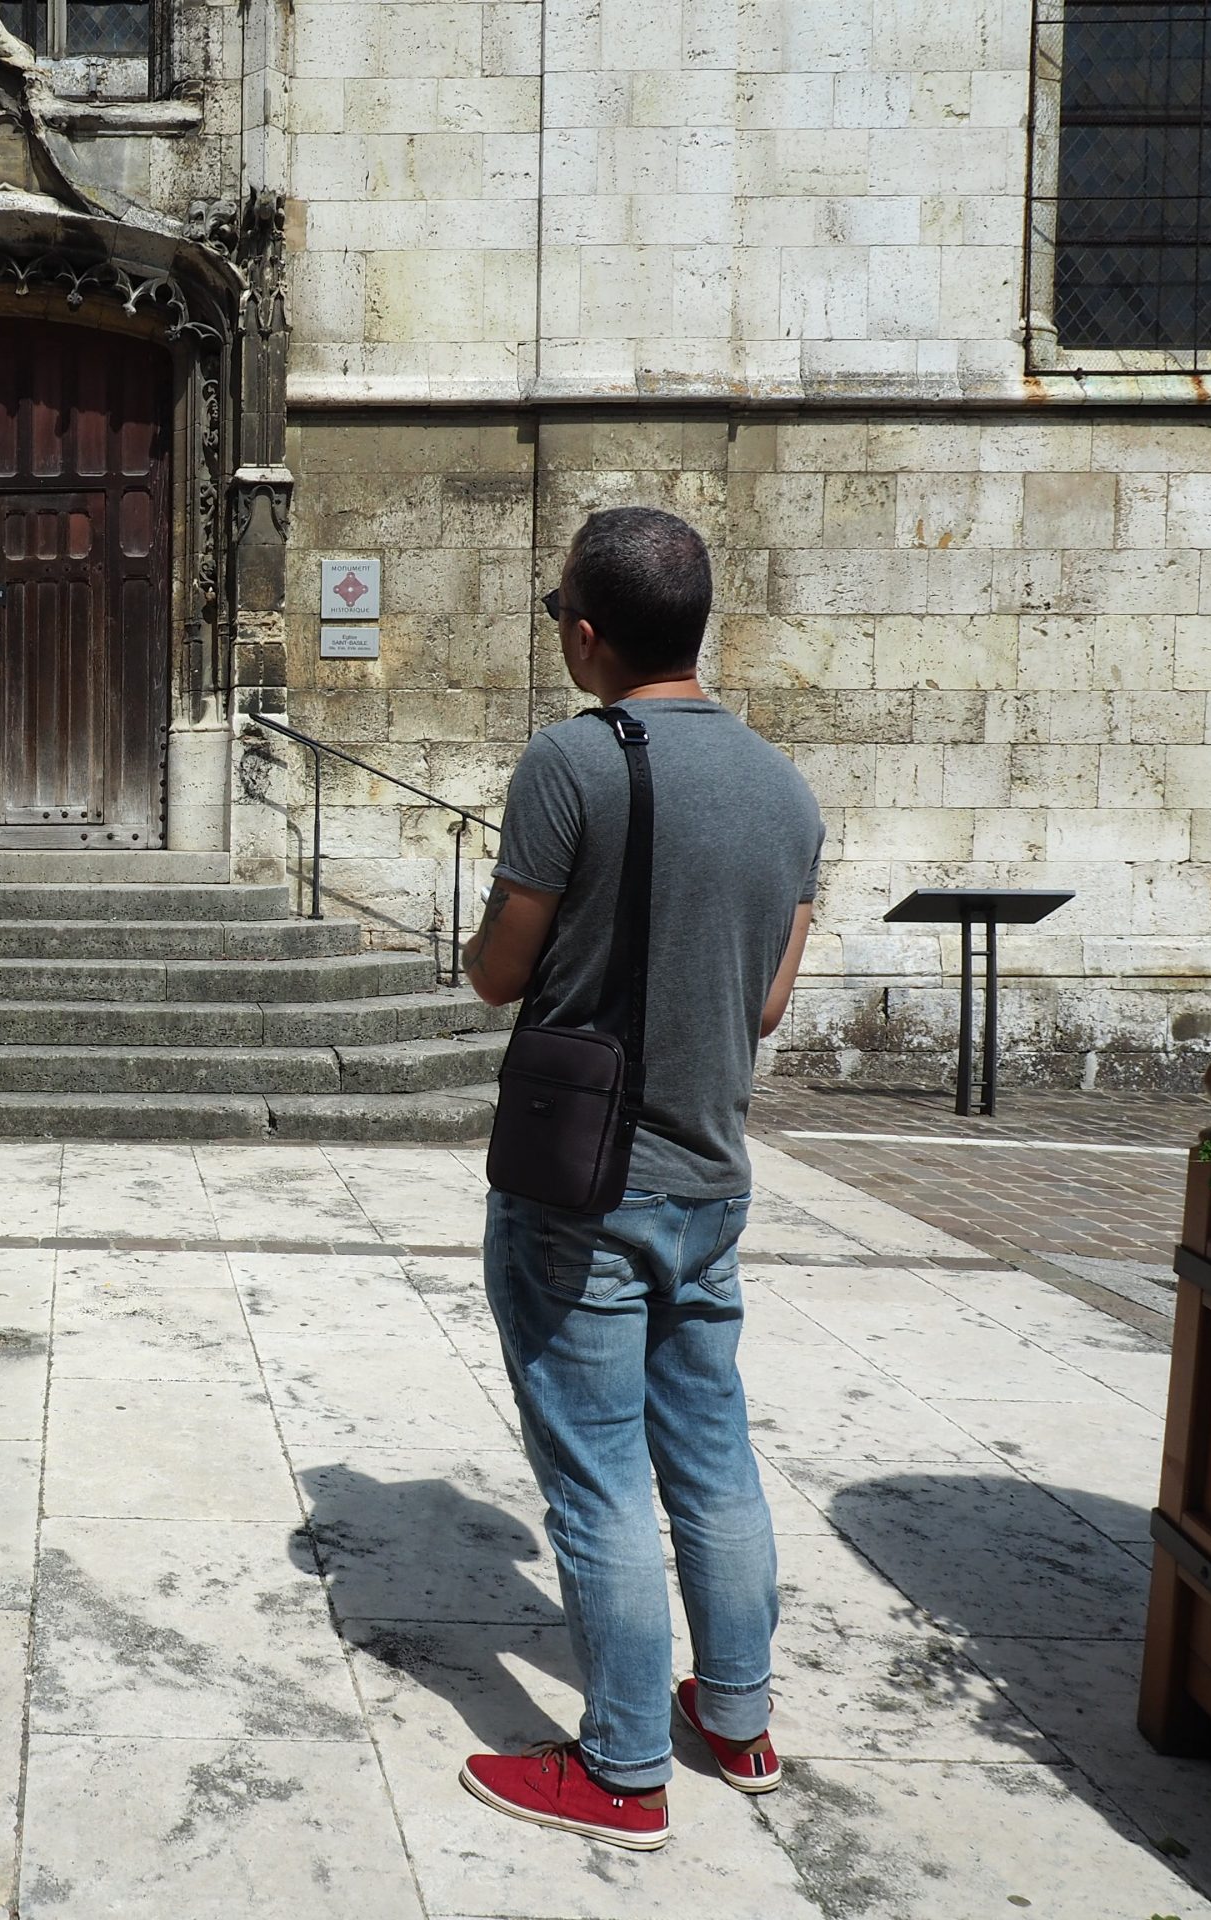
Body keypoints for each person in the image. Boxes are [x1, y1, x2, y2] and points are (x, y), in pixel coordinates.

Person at [456, 506, 821, 1849]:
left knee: (598, 1473)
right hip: (711, 1173)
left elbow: (500, 971)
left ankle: (619, 1769)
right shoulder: (787, 789)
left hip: (584, 1183)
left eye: (560, 611)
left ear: (589, 632)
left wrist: (497, 948)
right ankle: (736, 1715)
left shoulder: (573, 761)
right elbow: (770, 1005)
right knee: (713, 1454)